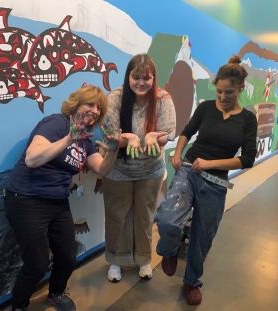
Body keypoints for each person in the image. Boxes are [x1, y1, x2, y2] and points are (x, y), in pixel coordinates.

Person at [4, 85, 119, 311]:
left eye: (99, 107)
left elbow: (102, 169)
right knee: (37, 264)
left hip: (57, 202)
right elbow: (32, 159)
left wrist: (114, 150)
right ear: (75, 104)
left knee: (67, 255)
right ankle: (19, 305)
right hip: (26, 199)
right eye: (90, 104)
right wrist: (68, 139)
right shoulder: (57, 123)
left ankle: (56, 292)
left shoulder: (85, 140)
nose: (95, 110)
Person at [156, 55, 258, 305]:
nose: (223, 97)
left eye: (229, 93)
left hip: (216, 182)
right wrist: (178, 154)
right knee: (167, 219)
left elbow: (247, 159)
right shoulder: (205, 108)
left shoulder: (247, 119)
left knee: (202, 238)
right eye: (220, 91)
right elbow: (187, 132)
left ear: (240, 89)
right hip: (190, 171)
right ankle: (168, 251)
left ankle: (191, 282)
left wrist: (211, 163)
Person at [102, 54, 176, 282]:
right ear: (128, 76)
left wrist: (156, 137)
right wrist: (129, 138)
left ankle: (144, 259)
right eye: (136, 77)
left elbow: (169, 132)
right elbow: (109, 133)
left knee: (144, 217)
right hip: (118, 168)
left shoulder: (163, 99)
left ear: (154, 79)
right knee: (117, 216)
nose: (141, 82)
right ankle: (116, 260)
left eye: (147, 78)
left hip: (150, 171)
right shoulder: (115, 97)